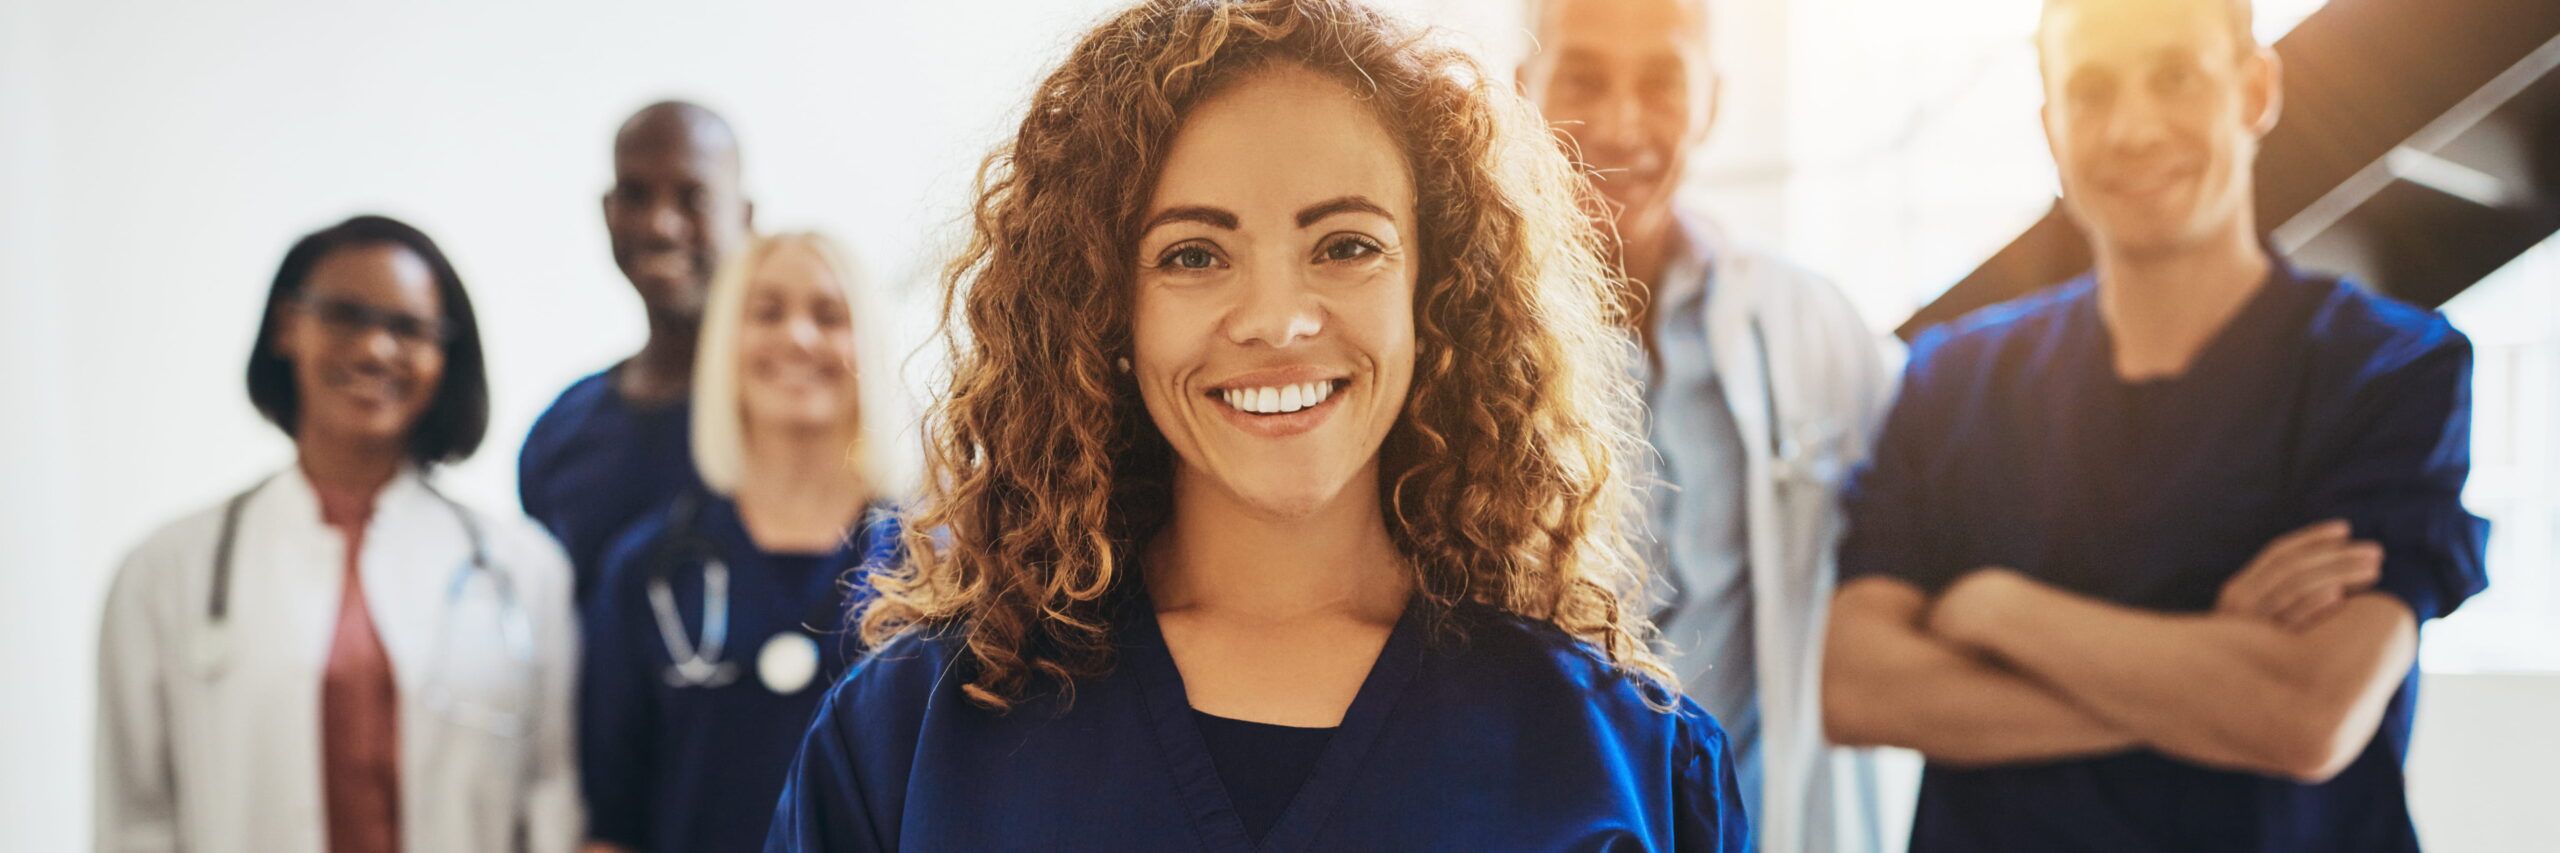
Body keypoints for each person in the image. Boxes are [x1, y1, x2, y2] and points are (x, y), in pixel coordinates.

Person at [764, 1, 1747, 850]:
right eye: (1192, 255)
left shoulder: (1631, 770)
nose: (1278, 320)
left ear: (1436, 290)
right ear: (1104, 308)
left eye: (1346, 245)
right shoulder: (909, 746)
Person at [1820, 0, 2490, 849]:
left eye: (2174, 77)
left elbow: (2309, 712)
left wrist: (1999, 610)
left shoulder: (2392, 370)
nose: (2132, 129)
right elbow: (1858, 687)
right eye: (2091, 91)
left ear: (2255, 90)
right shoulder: (1956, 379)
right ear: (2052, 130)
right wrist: (2217, 673)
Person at [1518, 1, 1891, 849]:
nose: (1620, 123)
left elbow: (1939, 510)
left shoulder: (1807, 326)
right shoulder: (1442, 338)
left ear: (1711, 101)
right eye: (1583, 78)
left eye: (1662, 81)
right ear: (1522, 90)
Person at [94, 215, 581, 853]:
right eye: (345, 315)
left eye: (409, 328)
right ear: (286, 327)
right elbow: (134, 816)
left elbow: (551, 798)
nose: (376, 349)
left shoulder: (524, 570)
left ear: (444, 357)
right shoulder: (165, 572)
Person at [579, 231, 909, 853]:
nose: (798, 337)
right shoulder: (645, 571)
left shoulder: (942, 571)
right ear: (725, 344)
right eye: (767, 313)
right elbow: (610, 824)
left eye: (830, 315)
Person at [521, 100, 756, 603]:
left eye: (693, 197)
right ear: (607, 212)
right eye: (635, 195)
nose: (660, 226)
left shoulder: (803, 417)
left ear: (745, 217)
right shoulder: (558, 437)